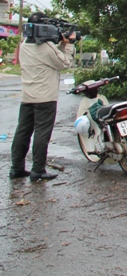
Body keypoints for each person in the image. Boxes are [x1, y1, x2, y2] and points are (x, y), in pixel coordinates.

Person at [10, 13, 76, 181]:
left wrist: (59, 43)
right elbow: (64, 63)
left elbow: (51, 59)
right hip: (45, 99)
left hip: (27, 97)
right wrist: (68, 44)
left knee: (22, 133)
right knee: (41, 134)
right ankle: (38, 170)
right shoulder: (46, 47)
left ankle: (16, 168)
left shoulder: (24, 45)